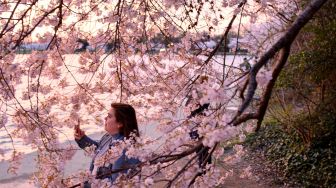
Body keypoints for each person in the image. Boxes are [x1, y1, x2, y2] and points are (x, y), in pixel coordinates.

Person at [74, 103, 140, 187]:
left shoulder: (125, 149)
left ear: (120, 123)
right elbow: (98, 150)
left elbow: (116, 184)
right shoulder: (108, 137)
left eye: (109, 116)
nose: (105, 118)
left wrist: (87, 186)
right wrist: (82, 139)